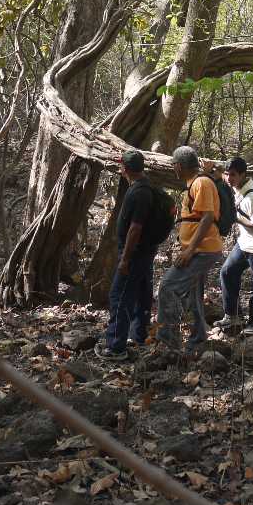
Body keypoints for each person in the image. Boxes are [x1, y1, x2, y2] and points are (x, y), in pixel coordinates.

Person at [155, 145, 224, 353]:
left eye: (174, 166)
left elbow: (207, 217)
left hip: (203, 250)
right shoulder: (195, 183)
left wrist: (189, 250)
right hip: (199, 249)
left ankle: (169, 344)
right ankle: (198, 340)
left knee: (168, 287)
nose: (173, 170)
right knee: (193, 294)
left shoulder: (201, 183)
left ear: (178, 166)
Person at [97, 150, 160, 361]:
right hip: (145, 252)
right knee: (142, 293)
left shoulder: (139, 193)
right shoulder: (147, 186)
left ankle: (116, 347)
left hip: (134, 254)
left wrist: (125, 259)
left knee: (119, 296)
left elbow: (135, 228)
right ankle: (139, 335)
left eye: (121, 165)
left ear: (124, 168)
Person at [218, 156, 253, 334]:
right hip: (244, 244)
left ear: (243, 175)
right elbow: (221, 177)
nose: (229, 178)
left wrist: (235, 218)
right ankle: (233, 315)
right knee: (227, 272)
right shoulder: (238, 188)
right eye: (227, 174)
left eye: (233, 175)